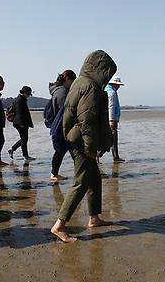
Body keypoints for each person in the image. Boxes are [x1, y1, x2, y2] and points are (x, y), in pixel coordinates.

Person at [50, 50, 117, 243]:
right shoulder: (89, 86)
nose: (108, 77)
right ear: (101, 69)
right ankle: (59, 226)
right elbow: (86, 118)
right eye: (108, 72)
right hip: (80, 142)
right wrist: (89, 146)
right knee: (81, 181)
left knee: (94, 178)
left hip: (77, 138)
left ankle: (94, 218)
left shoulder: (80, 82)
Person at [47, 69, 77, 181]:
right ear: (68, 79)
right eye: (73, 81)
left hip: (59, 127)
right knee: (65, 150)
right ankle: (54, 174)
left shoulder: (58, 91)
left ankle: (54, 174)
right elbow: (67, 111)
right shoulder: (62, 92)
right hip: (61, 128)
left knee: (61, 151)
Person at [8, 86, 35, 161]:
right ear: (25, 93)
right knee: (24, 139)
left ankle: (13, 149)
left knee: (24, 139)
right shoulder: (20, 100)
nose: (29, 96)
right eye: (29, 94)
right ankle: (25, 156)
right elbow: (19, 113)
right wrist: (21, 124)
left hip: (20, 122)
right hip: (20, 123)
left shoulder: (21, 99)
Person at [105, 75, 124, 162]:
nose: (119, 86)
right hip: (111, 120)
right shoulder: (111, 92)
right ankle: (115, 157)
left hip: (110, 119)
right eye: (118, 85)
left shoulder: (108, 90)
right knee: (112, 139)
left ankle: (116, 156)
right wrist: (111, 120)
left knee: (111, 139)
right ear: (114, 84)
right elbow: (111, 107)